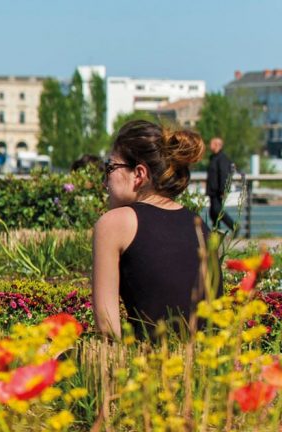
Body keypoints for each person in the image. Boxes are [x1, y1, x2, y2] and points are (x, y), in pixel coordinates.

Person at [91, 120, 214, 340]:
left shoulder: (115, 223)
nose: (105, 182)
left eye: (110, 167)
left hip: (148, 366)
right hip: (207, 365)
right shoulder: (199, 224)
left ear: (138, 174)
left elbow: (107, 329)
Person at [206, 137, 237, 233]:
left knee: (217, 211)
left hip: (218, 191)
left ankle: (234, 227)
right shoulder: (213, 158)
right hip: (212, 190)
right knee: (213, 213)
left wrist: (223, 190)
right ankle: (216, 232)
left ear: (217, 145)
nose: (209, 146)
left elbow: (224, 175)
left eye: (211, 144)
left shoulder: (222, 158)